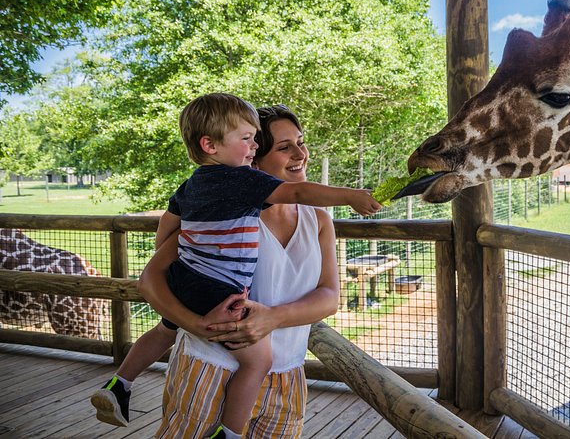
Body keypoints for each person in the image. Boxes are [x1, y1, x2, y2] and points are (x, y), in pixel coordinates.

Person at [91, 97, 379, 438]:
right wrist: (197, 323)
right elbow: (153, 277)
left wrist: (272, 317)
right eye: (285, 147)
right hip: (210, 369)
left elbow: (329, 297)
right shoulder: (226, 215)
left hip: (287, 374)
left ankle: (121, 382)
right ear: (252, 160)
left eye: (301, 144)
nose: (300, 155)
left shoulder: (316, 219)